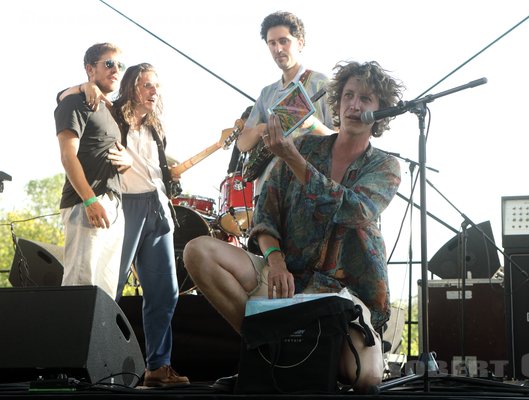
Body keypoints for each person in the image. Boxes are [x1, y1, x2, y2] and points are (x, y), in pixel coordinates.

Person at [183, 61, 404, 392]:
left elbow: (354, 210)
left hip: (344, 294)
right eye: (348, 95)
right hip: (286, 283)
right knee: (197, 251)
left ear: (381, 111)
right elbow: (265, 215)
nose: (354, 105)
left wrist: (293, 160)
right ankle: (266, 352)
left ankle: (289, 352)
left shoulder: (385, 165)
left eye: (366, 99)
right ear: (338, 101)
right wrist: (275, 261)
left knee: (365, 377)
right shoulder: (303, 148)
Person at [58, 63, 189, 387]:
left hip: (156, 208)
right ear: (131, 88)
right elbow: (62, 97)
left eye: (156, 86)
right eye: (146, 85)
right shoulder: (112, 113)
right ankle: (94, 364)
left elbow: (153, 166)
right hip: (124, 206)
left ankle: (158, 367)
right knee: (108, 289)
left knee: (165, 293)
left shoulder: (157, 127)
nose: (154, 91)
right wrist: (80, 87)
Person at [54, 42, 131, 300]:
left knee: (105, 298)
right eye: (108, 63)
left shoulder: (109, 110)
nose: (116, 70)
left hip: (113, 208)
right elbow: (68, 156)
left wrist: (127, 160)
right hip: (86, 204)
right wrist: (89, 199)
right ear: (90, 69)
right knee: (79, 291)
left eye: (119, 65)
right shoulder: (76, 101)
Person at [236, 11, 334, 199]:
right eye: (272, 43)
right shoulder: (267, 93)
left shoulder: (321, 84)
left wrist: (311, 124)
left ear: (300, 42)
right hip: (267, 194)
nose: (278, 49)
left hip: (307, 192)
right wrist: (263, 128)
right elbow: (242, 143)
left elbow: (340, 138)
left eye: (283, 41)